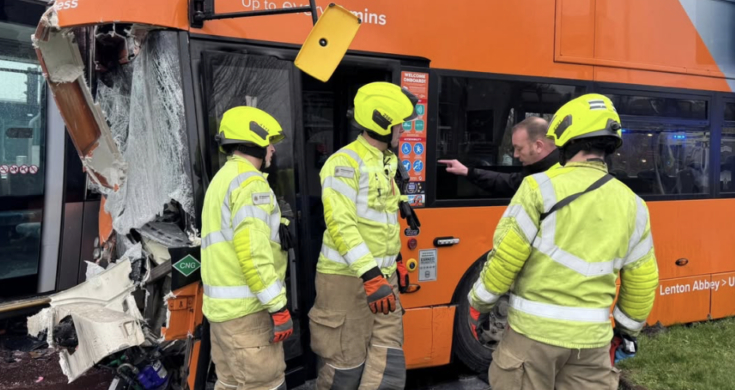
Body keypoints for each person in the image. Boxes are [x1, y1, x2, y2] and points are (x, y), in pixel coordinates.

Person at [467, 94, 659, 390]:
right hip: (592, 343)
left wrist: (479, 302)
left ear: (567, 139)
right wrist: (627, 331)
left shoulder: (538, 188)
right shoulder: (634, 204)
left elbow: (505, 259)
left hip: (532, 338)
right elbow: (643, 281)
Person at [309, 82, 418, 390]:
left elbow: (377, 211)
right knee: (346, 364)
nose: (403, 130)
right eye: (399, 123)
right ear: (383, 122)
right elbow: (341, 225)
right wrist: (371, 275)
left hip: (383, 278)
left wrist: (402, 205)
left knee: (388, 360)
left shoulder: (386, 161)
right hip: (346, 279)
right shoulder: (343, 163)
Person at [201, 106, 293, 390]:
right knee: (265, 384)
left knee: (229, 383)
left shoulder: (222, 180)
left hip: (223, 315)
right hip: (248, 316)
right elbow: (253, 255)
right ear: (253, 142)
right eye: (268, 143)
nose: (272, 151)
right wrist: (278, 306)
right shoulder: (251, 184)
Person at [439, 117, 558, 197]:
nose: (515, 155)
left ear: (538, 146)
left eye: (519, 148)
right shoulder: (537, 171)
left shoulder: (560, 176)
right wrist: (467, 171)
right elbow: (509, 182)